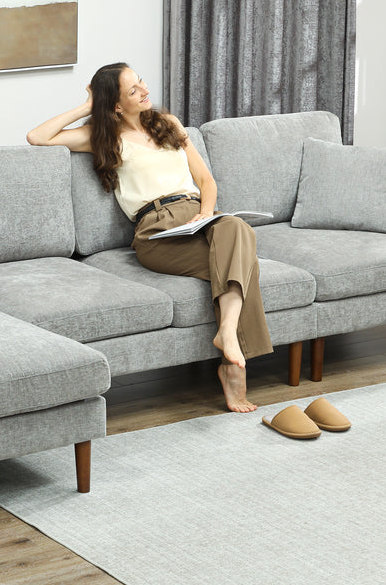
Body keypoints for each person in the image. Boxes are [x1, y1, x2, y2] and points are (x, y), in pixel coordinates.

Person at [26, 62, 272, 412]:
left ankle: (228, 336)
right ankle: (233, 370)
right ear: (115, 105)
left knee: (237, 229)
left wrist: (206, 211)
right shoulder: (102, 137)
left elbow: (207, 181)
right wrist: (88, 106)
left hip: (200, 217)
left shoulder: (167, 124)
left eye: (140, 81)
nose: (144, 90)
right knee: (241, 264)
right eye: (132, 90)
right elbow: (38, 137)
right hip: (157, 230)